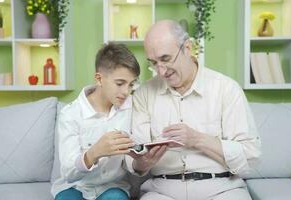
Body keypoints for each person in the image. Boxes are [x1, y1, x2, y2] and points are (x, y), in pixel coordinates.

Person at [126, 20, 262, 200]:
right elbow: (136, 158)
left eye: (166, 59)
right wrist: (141, 163)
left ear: (187, 48)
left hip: (222, 189)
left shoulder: (226, 88)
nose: (160, 71)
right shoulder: (144, 94)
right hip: (163, 190)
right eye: (153, 62)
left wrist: (197, 139)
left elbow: (250, 156)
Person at [51, 43, 140, 200]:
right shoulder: (70, 114)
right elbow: (69, 172)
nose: (126, 92)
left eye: (131, 84)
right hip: (75, 186)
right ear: (99, 79)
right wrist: (95, 152)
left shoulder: (132, 107)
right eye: (120, 83)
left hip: (113, 187)